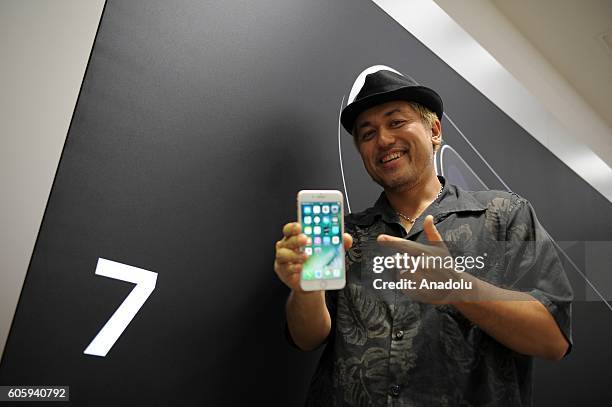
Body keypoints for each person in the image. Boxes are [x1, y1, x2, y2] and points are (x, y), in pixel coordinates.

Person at [274, 70, 572, 406]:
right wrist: (303, 290)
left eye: (397, 122)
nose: (383, 140)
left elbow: (553, 339)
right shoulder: (345, 234)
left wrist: (456, 286)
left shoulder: (504, 215)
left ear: (434, 131)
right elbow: (307, 338)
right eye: (367, 133)